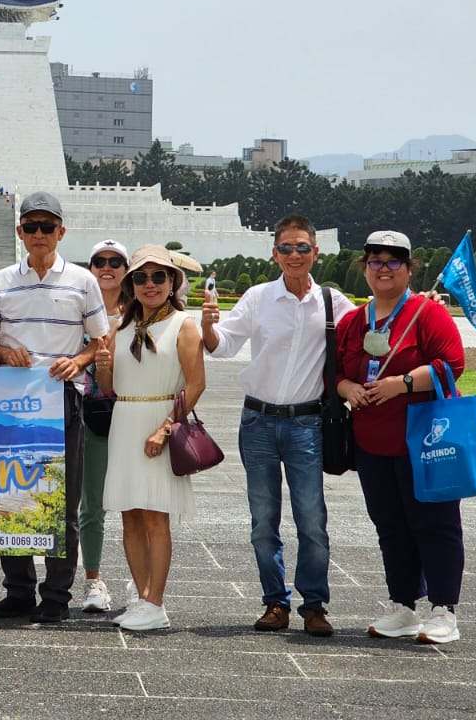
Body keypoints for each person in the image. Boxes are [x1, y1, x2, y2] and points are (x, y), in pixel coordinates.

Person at [199, 215, 354, 637]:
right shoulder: (258, 297)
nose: (294, 255)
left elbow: (365, 337)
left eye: (302, 247)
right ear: (274, 253)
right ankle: (274, 602)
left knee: (311, 519)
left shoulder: (332, 302)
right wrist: (208, 326)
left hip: (307, 423)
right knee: (263, 519)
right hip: (259, 421)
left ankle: (315, 604)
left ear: (316, 252)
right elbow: (223, 347)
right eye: (286, 248)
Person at [0, 192, 109, 623]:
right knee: (10, 494)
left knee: (61, 498)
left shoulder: (83, 282)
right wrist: (3, 354)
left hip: (62, 398)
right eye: (30, 227)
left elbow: (98, 341)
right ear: (19, 232)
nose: (38, 235)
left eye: (46, 227)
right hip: (12, 401)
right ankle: (18, 590)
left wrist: (80, 360)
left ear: (61, 232)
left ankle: (56, 594)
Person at [335, 231, 467, 645]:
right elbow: (335, 373)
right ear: (365, 268)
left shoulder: (428, 314)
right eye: (375, 261)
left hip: (426, 439)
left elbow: (453, 363)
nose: (384, 268)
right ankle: (403, 605)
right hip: (372, 440)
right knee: (390, 525)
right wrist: (348, 390)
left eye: (394, 261)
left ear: (409, 269)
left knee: (435, 523)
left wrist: (402, 383)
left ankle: (444, 610)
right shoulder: (354, 321)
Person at [96, 244, 206, 632]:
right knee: (130, 516)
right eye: (141, 277)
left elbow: (196, 384)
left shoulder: (183, 324)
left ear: (172, 281)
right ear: (131, 284)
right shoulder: (119, 326)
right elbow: (109, 388)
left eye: (158, 276)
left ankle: (155, 602)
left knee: (157, 517)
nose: (150, 284)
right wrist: (103, 367)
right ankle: (142, 597)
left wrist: (164, 429)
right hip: (125, 420)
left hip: (160, 418)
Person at [78, 239, 130, 616]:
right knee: (91, 504)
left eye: (115, 262)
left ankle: (140, 581)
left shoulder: (140, 313)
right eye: (100, 261)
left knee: (138, 504)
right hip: (90, 415)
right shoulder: (77, 312)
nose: (107, 267)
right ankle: (93, 579)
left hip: (132, 416)